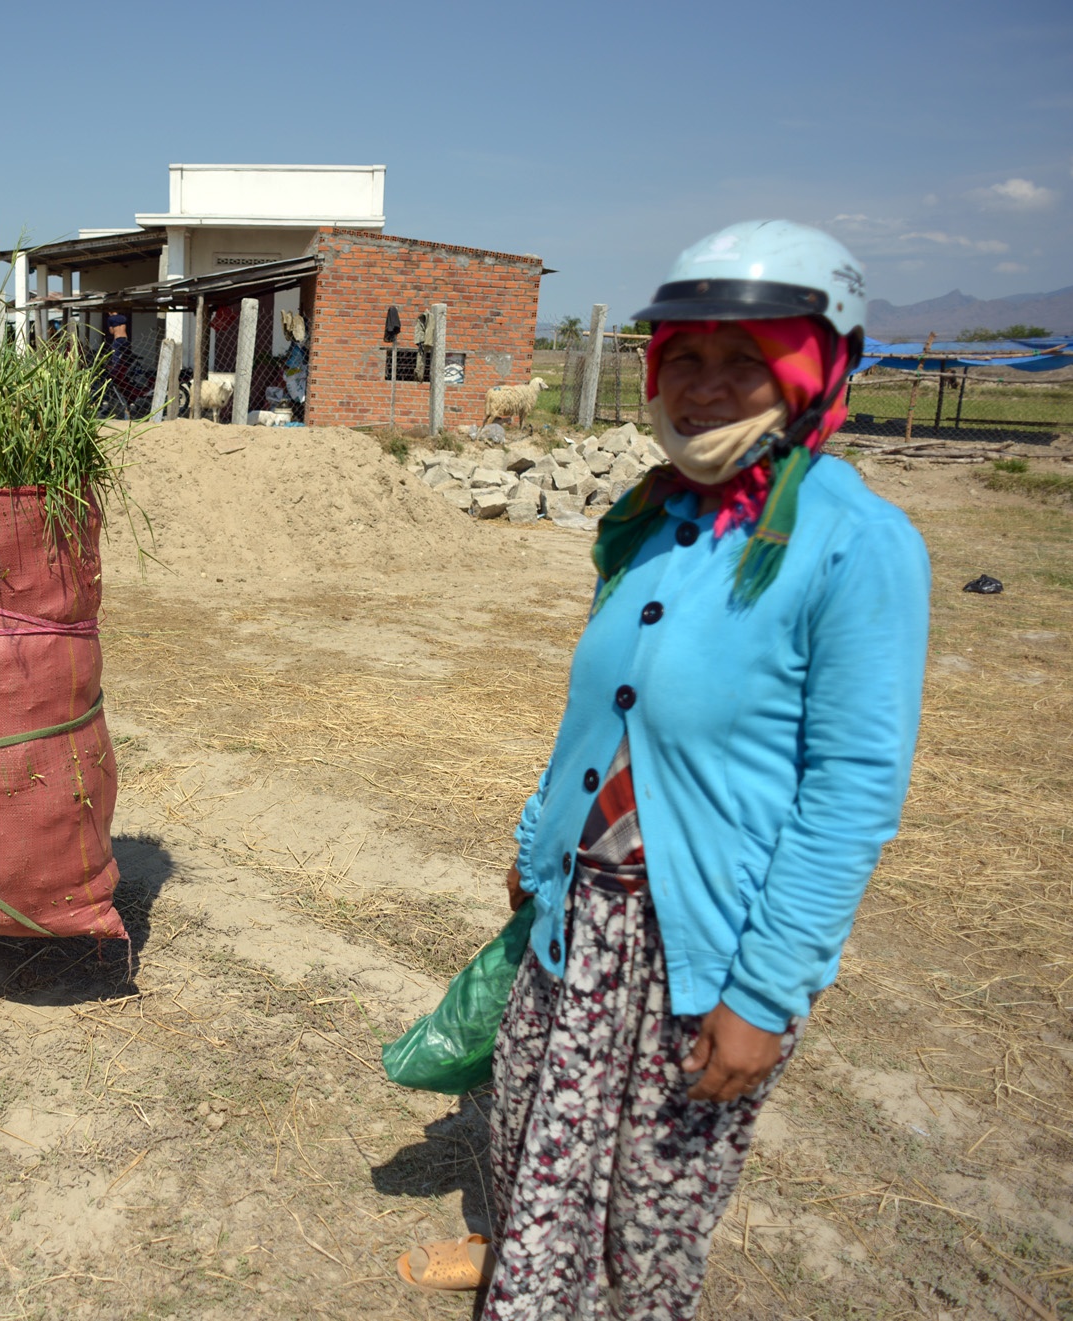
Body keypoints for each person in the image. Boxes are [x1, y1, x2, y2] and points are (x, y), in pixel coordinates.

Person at [398, 221, 930, 1314]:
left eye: (745, 360)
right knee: (530, 1139)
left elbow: (850, 793)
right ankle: (520, 1269)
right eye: (685, 356)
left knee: (648, 1217)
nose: (704, 384)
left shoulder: (855, 544)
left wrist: (766, 995)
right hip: (576, 916)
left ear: (814, 370)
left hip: (700, 950)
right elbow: (601, 712)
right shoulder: (649, 516)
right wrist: (537, 845)